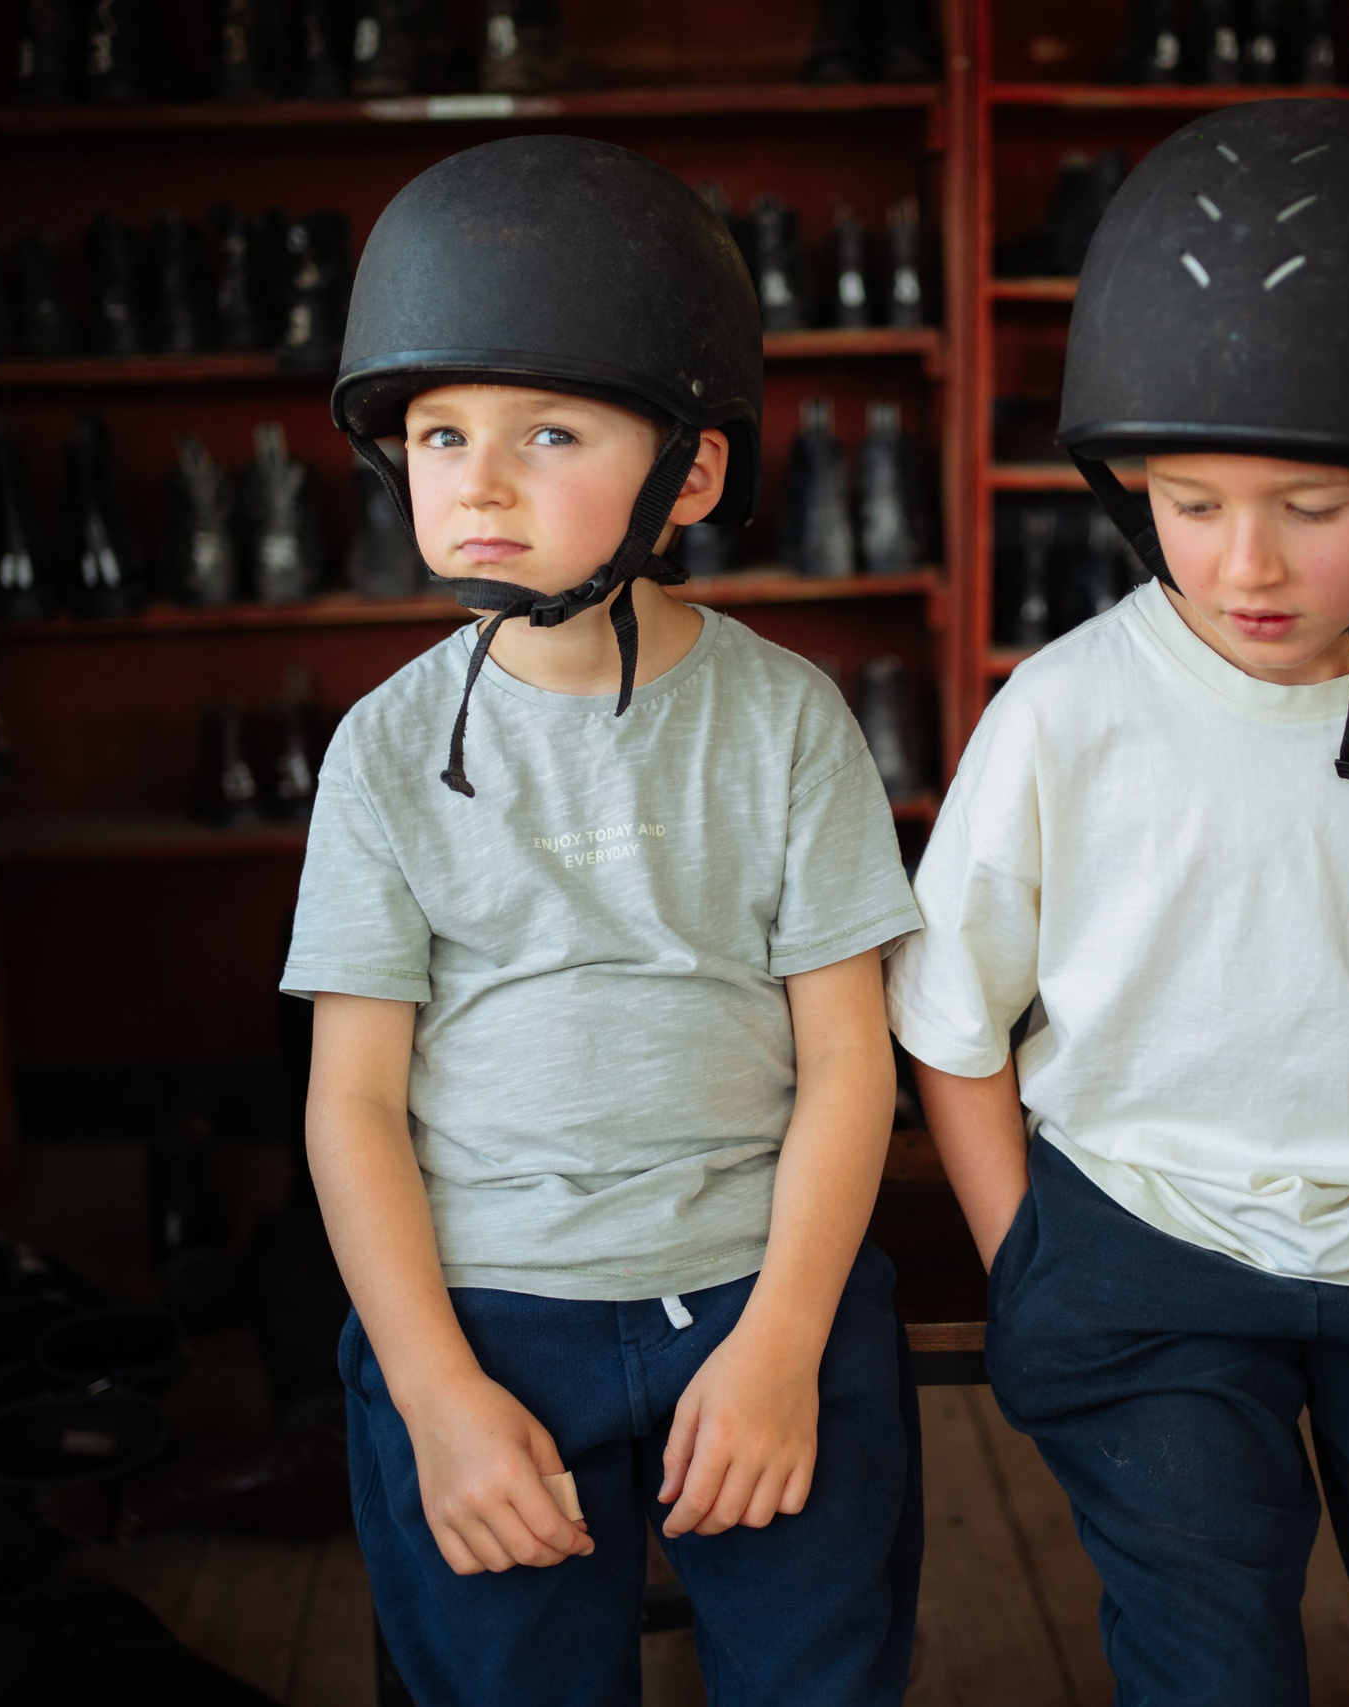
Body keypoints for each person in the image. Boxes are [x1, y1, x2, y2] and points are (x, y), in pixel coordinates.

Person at [887, 100, 1349, 1707]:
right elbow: (950, 1021)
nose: (1246, 562)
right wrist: (1026, 1255)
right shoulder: (1065, 710)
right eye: (1189, 501)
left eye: (1311, 509)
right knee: (1209, 1662)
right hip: (1144, 1244)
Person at [284, 136, 923, 1706]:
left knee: (821, 1679)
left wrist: (781, 1346)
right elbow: (353, 1101)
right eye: (440, 435)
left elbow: (851, 1066)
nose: (478, 482)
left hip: (762, 1287)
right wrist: (435, 1392)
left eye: (547, 431)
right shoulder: (381, 748)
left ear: (689, 474)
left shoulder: (786, 722)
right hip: (485, 1313)